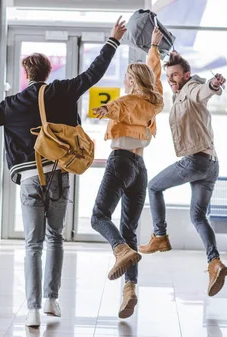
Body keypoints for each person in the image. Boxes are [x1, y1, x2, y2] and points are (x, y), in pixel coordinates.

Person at [0, 18, 127, 328]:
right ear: (48, 72)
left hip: (29, 178)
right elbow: (94, 73)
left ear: (26, 74)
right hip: (59, 173)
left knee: (33, 244)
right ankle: (51, 299)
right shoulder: (63, 91)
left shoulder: (12, 104)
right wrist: (112, 40)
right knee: (56, 238)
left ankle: (32, 311)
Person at [138, 51, 227, 297]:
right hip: (211, 164)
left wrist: (214, 84)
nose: (171, 79)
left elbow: (203, 90)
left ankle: (160, 235)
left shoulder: (192, 89)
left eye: (175, 75)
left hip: (196, 162)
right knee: (198, 217)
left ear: (187, 75)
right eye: (169, 75)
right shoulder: (180, 92)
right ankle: (214, 262)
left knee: (154, 187)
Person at [90, 28, 164, 319]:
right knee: (130, 228)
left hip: (120, 162)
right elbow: (155, 75)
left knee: (99, 216)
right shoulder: (153, 103)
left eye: (127, 78)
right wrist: (154, 49)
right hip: (140, 168)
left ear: (133, 81)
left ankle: (119, 249)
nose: (124, 81)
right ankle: (130, 289)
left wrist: (104, 109)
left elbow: (114, 108)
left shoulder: (126, 102)